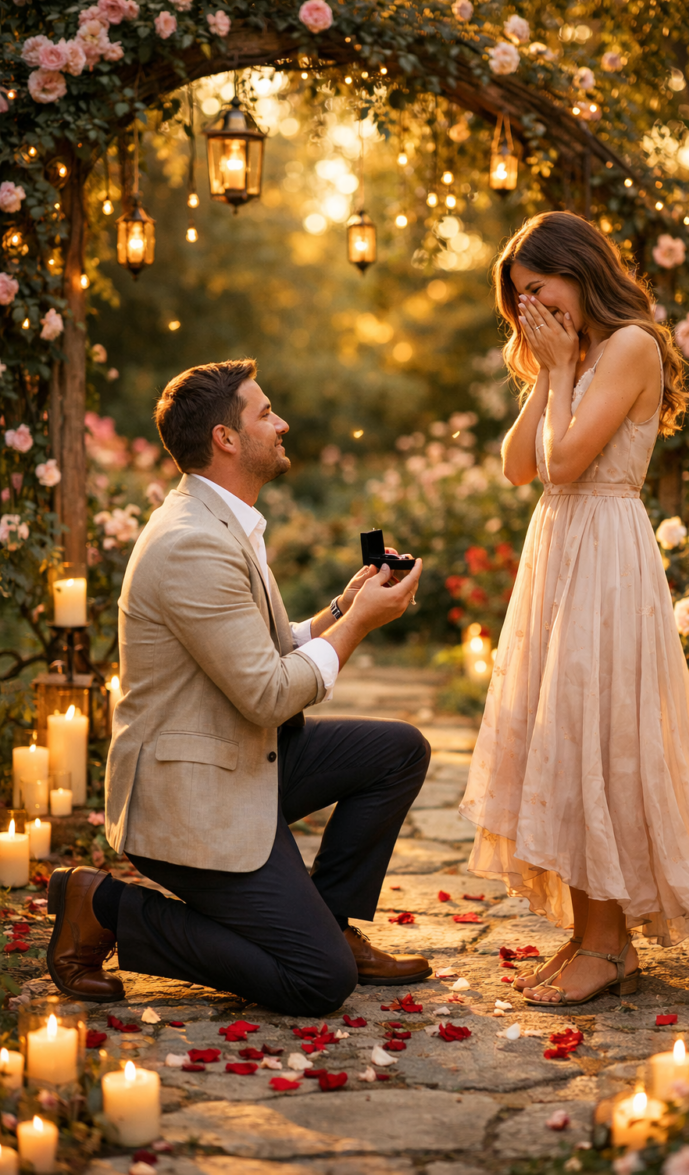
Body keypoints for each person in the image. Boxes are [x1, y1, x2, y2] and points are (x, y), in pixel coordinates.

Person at [47, 358, 430, 1015]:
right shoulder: (191, 542)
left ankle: (328, 920)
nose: (281, 425)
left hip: (243, 758)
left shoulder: (224, 521)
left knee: (398, 751)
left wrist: (342, 608)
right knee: (318, 981)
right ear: (226, 438)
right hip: (189, 800)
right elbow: (269, 694)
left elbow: (266, 653)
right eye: (265, 413)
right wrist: (361, 627)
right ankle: (104, 905)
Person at [459, 212, 689, 1008]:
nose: (530, 306)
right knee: (557, 736)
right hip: (560, 550)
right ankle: (593, 933)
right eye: (517, 300)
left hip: (604, 554)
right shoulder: (574, 356)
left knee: (591, 733)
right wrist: (546, 369)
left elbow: (567, 464)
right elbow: (516, 465)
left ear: (577, 269)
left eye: (538, 288)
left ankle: (607, 940)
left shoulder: (632, 344)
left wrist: (562, 372)